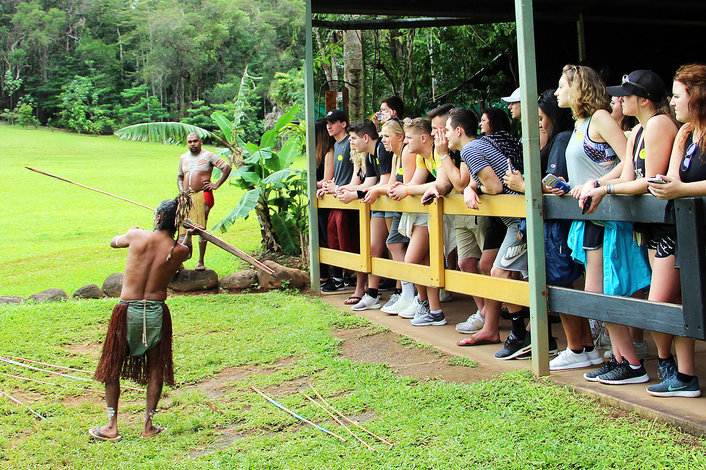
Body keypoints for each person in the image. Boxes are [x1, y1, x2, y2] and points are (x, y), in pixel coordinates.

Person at [550, 65, 652, 382]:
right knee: (596, 293)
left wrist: (597, 184)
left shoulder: (601, 118)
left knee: (601, 291)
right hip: (590, 216)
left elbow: (629, 161)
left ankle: (632, 364)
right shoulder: (580, 123)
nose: (556, 93)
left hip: (610, 215)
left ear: (578, 88)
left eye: (561, 86)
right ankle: (620, 358)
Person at [582, 70, 677, 370]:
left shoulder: (660, 123)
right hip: (647, 228)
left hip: (668, 225)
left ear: (645, 100)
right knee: (657, 300)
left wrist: (605, 188)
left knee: (661, 303)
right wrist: (599, 186)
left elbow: (650, 180)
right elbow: (627, 177)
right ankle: (663, 364)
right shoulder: (636, 131)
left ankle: (669, 365)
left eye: (626, 94)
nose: (619, 99)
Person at [91, 198, 193, 441]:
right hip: (156, 311)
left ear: (158, 218)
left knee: (113, 366)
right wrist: (190, 234)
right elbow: (185, 253)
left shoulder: (137, 237)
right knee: (156, 368)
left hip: (127, 311)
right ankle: (148, 426)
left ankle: (111, 426)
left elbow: (114, 242)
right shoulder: (178, 249)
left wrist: (131, 231)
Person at [645, 64, 706, 397]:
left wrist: (682, 190)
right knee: (673, 301)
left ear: (697, 97)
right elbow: (673, 179)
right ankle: (684, 375)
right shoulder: (684, 133)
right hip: (683, 231)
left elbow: (683, 187)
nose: (673, 101)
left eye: (678, 95)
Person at [426, 107, 490, 334]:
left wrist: (443, 155)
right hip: (462, 213)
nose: (434, 134)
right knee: (466, 263)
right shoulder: (447, 150)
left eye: (437, 129)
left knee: (487, 265)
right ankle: (482, 311)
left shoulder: (467, 148)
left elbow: (461, 183)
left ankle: (490, 314)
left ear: (452, 130)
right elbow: (445, 183)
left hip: (480, 211)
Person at [388, 118, 452, 326]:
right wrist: (402, 189)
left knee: (412, 261)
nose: (405, 142)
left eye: (408, 138)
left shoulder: (438, 153)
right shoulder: (421, 158)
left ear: (423, 138)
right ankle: (433, 310)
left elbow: (441, 183)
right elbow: (415, 183)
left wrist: (405, 190)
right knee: (425, 263)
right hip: (428, 214)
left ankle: (423, 302)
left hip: (446, 213)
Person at [338, 120, 392, 310]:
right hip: (378, 204)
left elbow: (383, 183)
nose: (350, 142)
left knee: (394, 248)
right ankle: (372, 294)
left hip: (391, 205)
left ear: (366, 138)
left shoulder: (382, 151)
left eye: (353, 138)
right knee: (372, 248)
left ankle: (402, 293)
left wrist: (355, 194)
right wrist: (340, 189)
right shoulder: (369, 155)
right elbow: (368, 183)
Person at [177, 132, 231, 271]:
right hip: (186, 197)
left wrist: (216, 184)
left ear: (200, 142)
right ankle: (179, 261)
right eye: (190, 142)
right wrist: (182, 190)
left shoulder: (208, 156)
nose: (192, 144)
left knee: (200, 227)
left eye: (195, 141)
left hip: (203, 195)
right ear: (187, 143)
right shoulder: (183, 158)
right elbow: (179, 177)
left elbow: (226, 167)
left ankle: (200, 261)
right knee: (182, 228)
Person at [317, 109, 357, 293]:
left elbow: (358, 174)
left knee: (346, 239)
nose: (329, 126)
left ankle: (345, 276)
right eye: (327, 123)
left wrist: (340, 188)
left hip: (347, 199)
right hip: (336, 198)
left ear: (343, 124)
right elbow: (336, 177)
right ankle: (339, 276)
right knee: (333, 237)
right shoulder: (335, 145)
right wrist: (328, 187)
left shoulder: (350, 143)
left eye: (332, 123)